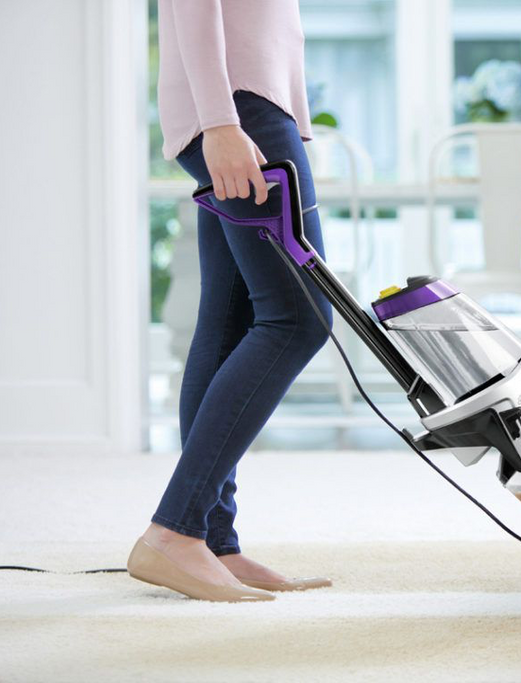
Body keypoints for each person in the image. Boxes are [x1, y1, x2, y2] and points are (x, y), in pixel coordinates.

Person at [127, 0, 333, 602]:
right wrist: (221, 122)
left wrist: (286, 113)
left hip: (250, 106)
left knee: (229, 320)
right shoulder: (232, 114)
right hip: (241, 109)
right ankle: (175, 528)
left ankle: (213, 541)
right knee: (299, 319)